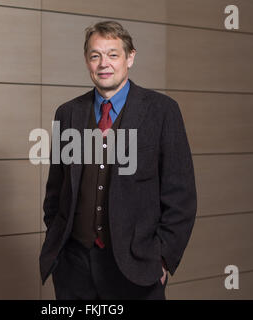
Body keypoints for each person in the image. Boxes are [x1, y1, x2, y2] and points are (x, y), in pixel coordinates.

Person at [39, 20, 197, 300]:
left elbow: (181, 197)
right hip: (75, 269)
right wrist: (59, 249)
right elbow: (56, 191)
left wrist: (161, 258)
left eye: (113, 54)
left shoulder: (162, 112)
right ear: (87, 61)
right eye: (95, 55)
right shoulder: (67, 114)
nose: (104, 63)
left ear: (130, 57)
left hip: (137, 269)